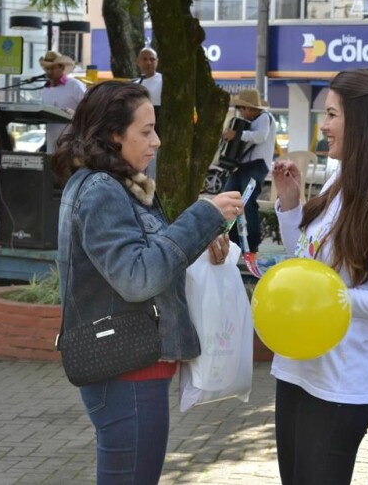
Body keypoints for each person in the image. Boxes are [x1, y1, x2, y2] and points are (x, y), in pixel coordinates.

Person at [51, 81, 243, 484]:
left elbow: (149, 257)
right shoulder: (103, 191)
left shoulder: (119, 185)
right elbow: (138, 278)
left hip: (134, 368)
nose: (155, 141)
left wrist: (200, 242)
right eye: (145, 130)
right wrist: (202, 216)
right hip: (127, 371)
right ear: (113, 135)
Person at [271, 68, 368, 484]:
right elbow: (306, 265)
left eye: (332, 114)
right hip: (296, 370)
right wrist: (290, 207)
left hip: (340, 386)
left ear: (363, 121)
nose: (323, 125)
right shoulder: (340, 183)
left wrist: (333, 298)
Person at [222, 88, 276, 252]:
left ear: (249, 108)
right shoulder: (251, 121)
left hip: (257, 165)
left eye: (241, 108)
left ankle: (252, 244)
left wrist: (237, 135)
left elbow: (260, 136)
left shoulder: (265, 117)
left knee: (248, 203)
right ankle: (232, 241)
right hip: (243, 166)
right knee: (229, 198)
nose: (240, 112)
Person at [40, 51, 86, 153]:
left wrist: (75, 114)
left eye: (53, 68)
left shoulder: (75, 85)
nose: (49, 72)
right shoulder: (45, 89)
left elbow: (90, 108)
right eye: (47, 69)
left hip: (72, 146)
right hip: (52, 146)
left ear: (62, 68)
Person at [136, 47, 162, 178]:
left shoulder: (163, 82)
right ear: (138, 61)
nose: (148, 63)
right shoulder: (135, 84)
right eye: (144, 59)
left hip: (156, 136)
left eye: (152, 59)